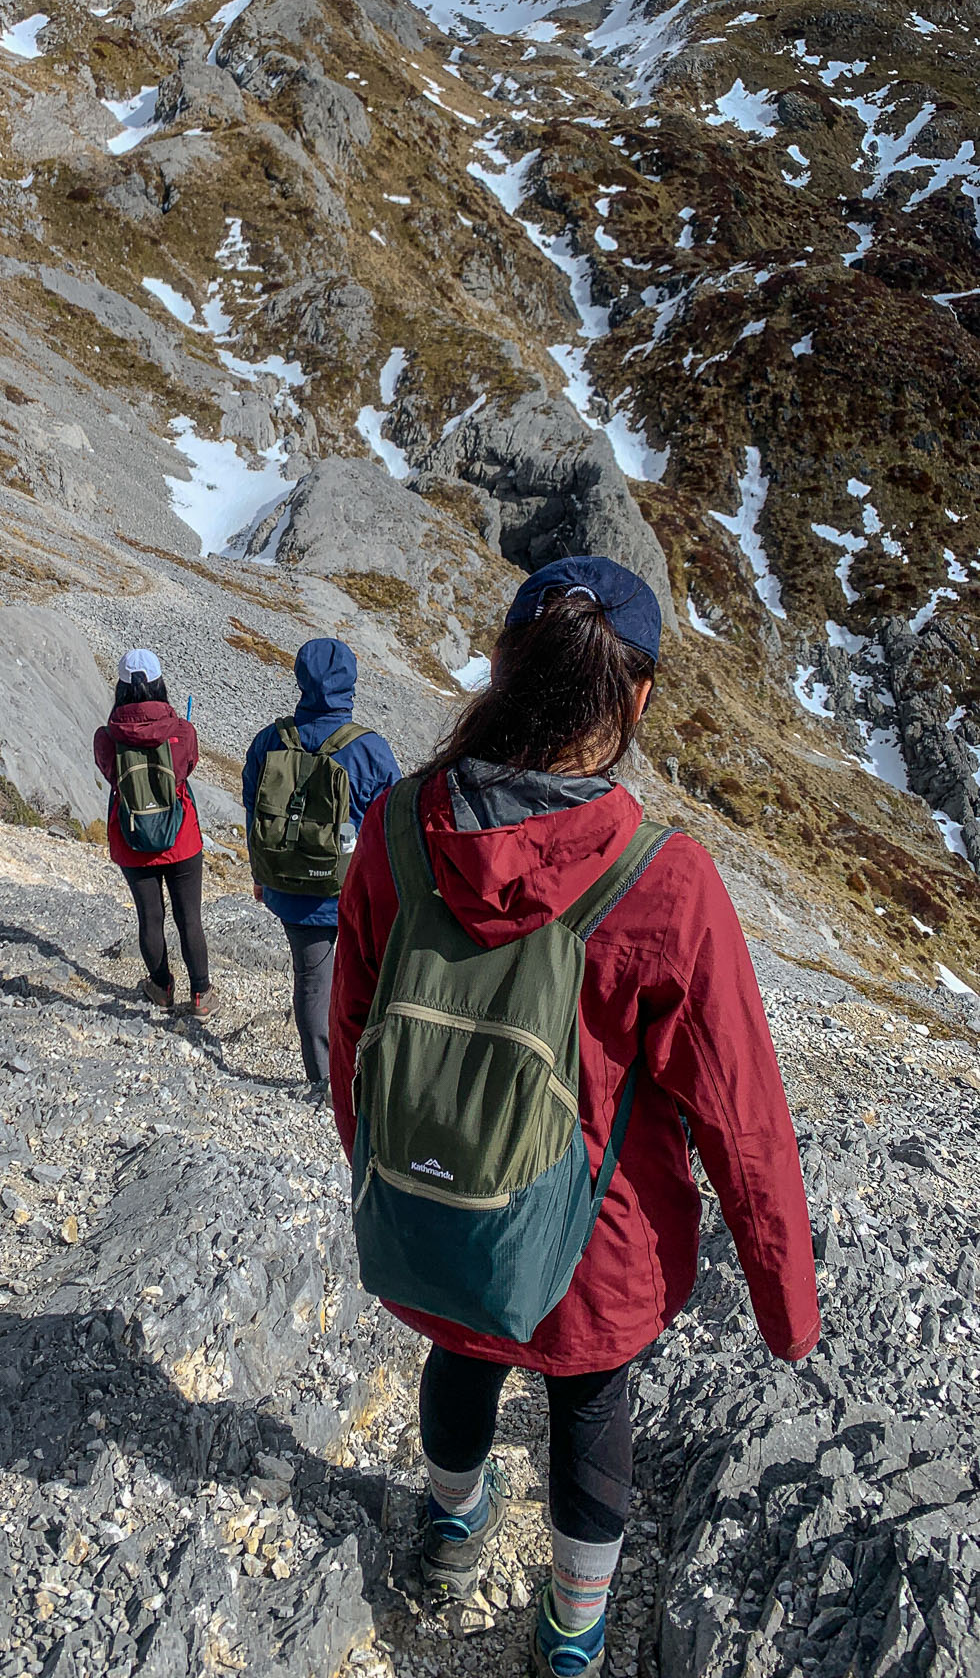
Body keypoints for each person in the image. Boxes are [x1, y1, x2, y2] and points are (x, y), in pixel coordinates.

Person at [329, 558, 819, 1678]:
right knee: (591, 1401)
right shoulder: (666, 879)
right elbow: (740, 1113)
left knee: (459, 1356)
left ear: (505, 666)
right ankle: (570, 1630)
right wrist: (788, 1308)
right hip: (594, 1244)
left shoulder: (399, 827)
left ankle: (454, 1529)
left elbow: (353, 1036)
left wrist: (395, 1174)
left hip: (432, 1201)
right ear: (637, 696)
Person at [243, 639, 400, 1098]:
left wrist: (261, 875)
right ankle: (366, 1074)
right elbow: (393, 824)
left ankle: (324, 1081)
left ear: (300, 680)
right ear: (350, 684)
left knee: (312, 982)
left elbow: (254, 812)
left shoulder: (269, 741)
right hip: (355, 892)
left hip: (291, 888)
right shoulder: (369, 749)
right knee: (365, 981)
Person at [93, 649, 218, 1017]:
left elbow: (110, 774)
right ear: (159, 683)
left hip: (132, 838)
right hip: (181, 838)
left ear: (121, 688)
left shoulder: (107, 737)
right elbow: (187, 767)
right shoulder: (183, 732)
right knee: (189, 917)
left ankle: (161, 988)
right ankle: (201, 994)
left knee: (150, 916)